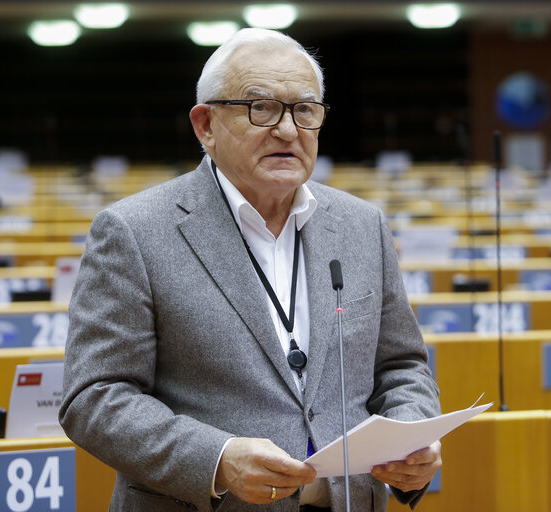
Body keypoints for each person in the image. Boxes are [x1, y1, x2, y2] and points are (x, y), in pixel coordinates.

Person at [60, 27, 441, 512]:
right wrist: (216, 458)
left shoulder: (362, 224)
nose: (287, 129)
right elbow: (95, 397)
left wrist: (410, 434)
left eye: (304, 109)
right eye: (260, 107)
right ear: (205, 125)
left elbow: (401, 366)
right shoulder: (133, 232)